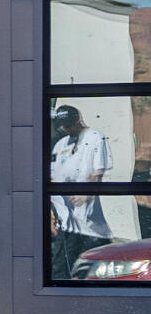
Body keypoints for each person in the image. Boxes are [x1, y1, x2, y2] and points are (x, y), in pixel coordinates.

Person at [50, 103, 114, 281]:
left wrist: (84, 195)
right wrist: (52, 212)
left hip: (89, 221)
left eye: (70, 124)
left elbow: (97, 174)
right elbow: (52, 178)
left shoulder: (95, 138)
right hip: (65, 219)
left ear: (78, 119)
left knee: (93, 268)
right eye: (63, 126)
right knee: (61, 268)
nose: (67, 128)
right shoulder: (61, 145)